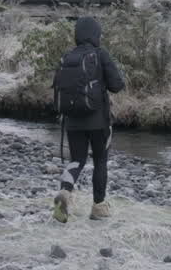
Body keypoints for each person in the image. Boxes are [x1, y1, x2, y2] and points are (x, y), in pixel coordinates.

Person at [51, 15, 125, 223]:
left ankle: (65, 193)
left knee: (77, 160)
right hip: (98, 121)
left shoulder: (68, 56)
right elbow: (117, 85)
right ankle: (99, 207)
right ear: (96, 34)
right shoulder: (100, 54)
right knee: (100, 160)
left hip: (72, 121)